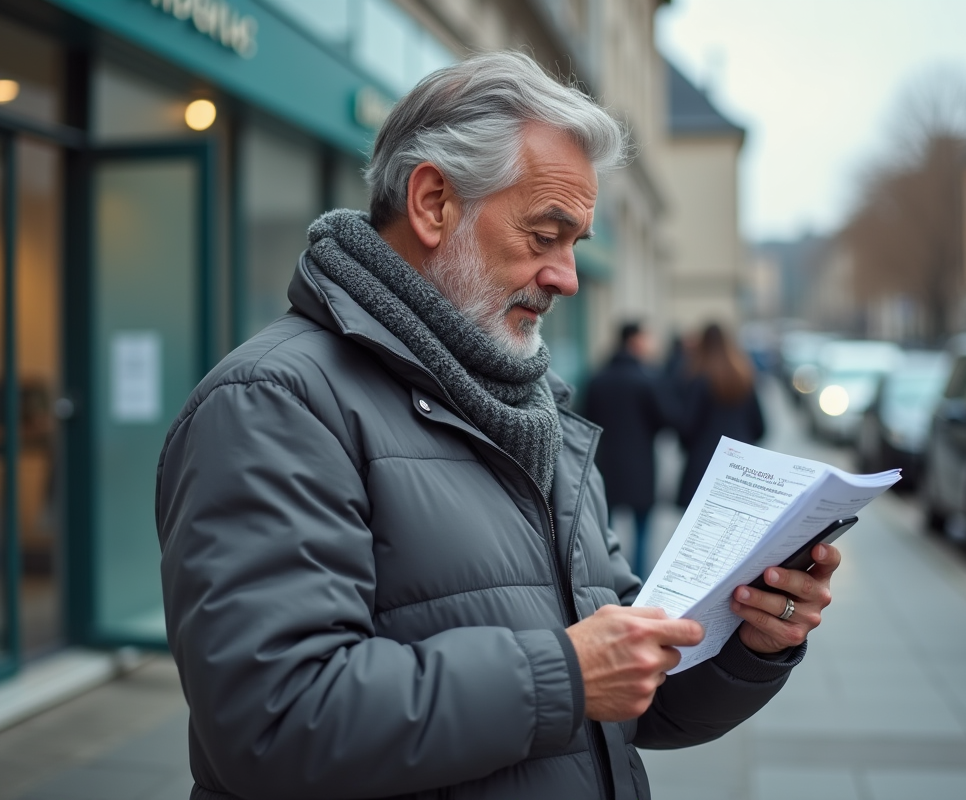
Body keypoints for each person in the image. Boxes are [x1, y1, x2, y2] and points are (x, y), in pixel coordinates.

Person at [156, 51, 839, 800]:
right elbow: (274, 723)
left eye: (574, 244)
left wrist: (752, 641)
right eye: (544, 235)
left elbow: (628, 699)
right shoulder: (273, 403)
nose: (567, 277)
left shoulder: (534, 409)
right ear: (433, 204)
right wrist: (566, 675)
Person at [583, 321, 669, 579]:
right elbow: (667, 418)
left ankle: (607, 578)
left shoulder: (597, 378)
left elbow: (585, 419)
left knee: (604, 528)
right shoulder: (646, 379)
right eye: (646, 337)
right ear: (634, 341)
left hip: (605, 464)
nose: (650, 344)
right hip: (640, 465)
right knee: (642, 529)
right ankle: (638, 581)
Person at [676, 322, 767, 508]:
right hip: (740, 466)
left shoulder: (697, 378)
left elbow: (687, 426)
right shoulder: (744, 376)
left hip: (703, 465)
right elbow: (760, 427)